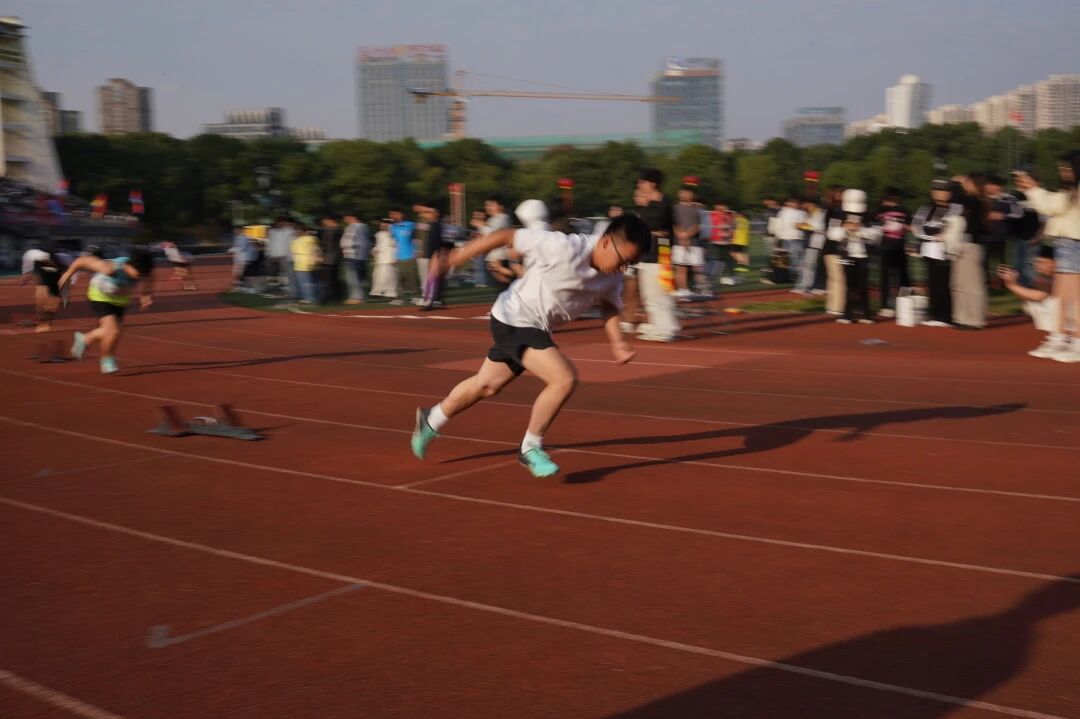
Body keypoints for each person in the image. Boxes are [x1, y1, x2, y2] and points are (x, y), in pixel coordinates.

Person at [410, 214, 652, 478]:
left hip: (536, 326)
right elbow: (506, 235)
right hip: (514, 317)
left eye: (630, 264)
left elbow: (608, 306)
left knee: (487, 385)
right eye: (623, 260)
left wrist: (618, 343)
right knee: (563, 379)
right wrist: (456, 257)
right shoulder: (564, 247)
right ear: (606, 242)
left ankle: (431, 419)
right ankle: (530, 447)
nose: (623, 269)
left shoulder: (611, 276)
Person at [1015, 151, 1080, 362]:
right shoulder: (1070, 192)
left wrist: (1032, 189)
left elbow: (1051, 205)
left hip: (1073, 245)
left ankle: (1076, 342)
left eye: (1067, 168)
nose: (1063, 172)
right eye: (1062, 168)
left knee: (1073, 299)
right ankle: (1059, 338)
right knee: (1061, 298)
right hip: (1064, 245)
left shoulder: (1074, 193)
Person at [58, 246, 155, 374]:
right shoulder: (110, 268)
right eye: (139, 274)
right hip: (100, 296)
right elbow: (83, 260)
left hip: (120, 299)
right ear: (131, 266)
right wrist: (67, 274)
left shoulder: (143, 270)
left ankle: (84, 339)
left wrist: (146, 294)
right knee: (113, 330)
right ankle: (107, 359)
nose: (140, 277)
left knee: (113, 332)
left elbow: (150, 278)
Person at [634, 168, 680, 342]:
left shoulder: (664, 202)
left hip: (661, 254)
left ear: (653, 184)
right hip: (646, 253)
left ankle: (667, 327)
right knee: (648, 293)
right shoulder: (646, 203)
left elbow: (654, 222)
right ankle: (656, 324)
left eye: (642, 182)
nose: (639, 185)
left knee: (661, 292)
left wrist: (644, 206)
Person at [911, 179, 965, 327]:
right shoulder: (926, 208)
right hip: (929, 250)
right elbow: (916, 227)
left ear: (949, 193)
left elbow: (956, 228)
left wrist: (943, 236)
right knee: (933, 283)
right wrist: (930, 237)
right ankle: (936, 314)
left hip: (947, 251)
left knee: (945, 284)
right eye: (936, 191)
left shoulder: (956, 208)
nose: (940, 194)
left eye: (943, 191)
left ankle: (946, 316)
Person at [998, 248, 1066, 358]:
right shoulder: (1043, 277)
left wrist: (1012, 285)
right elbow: (1030, 296)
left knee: (1049, 303)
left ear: (1055, 262)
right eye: (1037, 262)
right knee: (1030, 303)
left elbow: (1039, 296)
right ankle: (1062, 337)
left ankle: (1062, 338)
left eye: (1043, 262)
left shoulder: (1062, 276)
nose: (1039, 265)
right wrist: (1012, 283)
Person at [874, 187, 911, 318]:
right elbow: (910, 227)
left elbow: (875, 225)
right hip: (896, 246)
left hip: (888, 247)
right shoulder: (904, 211)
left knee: (887, 277)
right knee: (902, 277)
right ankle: (904, 305)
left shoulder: (881, 210)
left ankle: (887, 306)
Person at [20, 245, 65, 332]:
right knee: (41, 299)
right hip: (46, 276)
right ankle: (43, 321)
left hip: (53, 277)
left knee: (51, 304)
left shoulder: (58, 261)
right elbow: (31, 272)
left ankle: (46, 321)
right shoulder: (35, 259)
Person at [388, 208, 418, 305]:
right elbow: (393, 242)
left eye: (395, 214)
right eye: (392, 215)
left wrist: (417, 251)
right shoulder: (392, 227)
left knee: (411, 278)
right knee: (398, 279)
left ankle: (415, 297)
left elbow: (417, 237)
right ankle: (399, 298)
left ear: (402, 215)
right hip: (398, 256)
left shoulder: (410, 224)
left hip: (410, 255)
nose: (393, 216)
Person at [340, 212, 370, 304]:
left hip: (356, 256)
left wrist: (361, 255)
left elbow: (362, 242)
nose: (345, 219)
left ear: (353, 217)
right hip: (348, 255)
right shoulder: (348, 227)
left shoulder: (361, 226)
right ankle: (353, 296)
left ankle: (359, 298)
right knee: (350, 278)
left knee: (356, 277)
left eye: (347, 217)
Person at [290, 225, 323, 304]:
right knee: (314, 282)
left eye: (298, 231)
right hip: (313, 262)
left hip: (301, 264)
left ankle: (309, 298)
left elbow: (293, 251)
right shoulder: (313, 239)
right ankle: (317, 298)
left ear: (302, 231)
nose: (296, 233)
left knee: (305, 283)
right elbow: (317, 249)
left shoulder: (297, 241)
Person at [370, 220, 398, 300]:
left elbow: (396, 246)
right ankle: (376, 293)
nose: (383, 226)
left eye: (386, 224)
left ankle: (390, 293)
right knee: (378, 276)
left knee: (390, 276)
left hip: (390, 258)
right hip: (380, 258)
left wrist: (395, 257)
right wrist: (374, 251)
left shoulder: (394, 234)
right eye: (382, 224)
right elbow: (378, 245)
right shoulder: (379, 234)